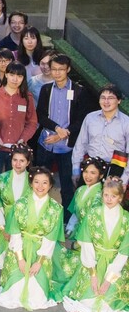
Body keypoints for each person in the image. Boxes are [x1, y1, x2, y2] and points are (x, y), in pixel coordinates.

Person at [0, 167, 64, 310]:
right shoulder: (20, 204)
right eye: (36, 182)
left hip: (40, 252)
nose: (40, 187)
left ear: (50, 185)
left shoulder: (56, 208)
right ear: (31, 183)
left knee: (38, 296)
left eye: (44, 183)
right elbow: (15, 232)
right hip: (19, 249)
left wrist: (39, 262)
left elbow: (51, 238)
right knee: (12, 293)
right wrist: (20, 259)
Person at [62, 177, 129, 312]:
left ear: (120, 197)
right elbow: (86, 243)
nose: (109, 199)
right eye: (106, 195)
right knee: (88, 298)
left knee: (109, 301)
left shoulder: (126, 219)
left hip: (116, 265)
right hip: (93, 260)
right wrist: (93, 274)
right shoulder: (93, 214)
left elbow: (124, 251)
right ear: (102, 195)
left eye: (113, 196)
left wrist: (108, 280)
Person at [36, 53, 95, 216]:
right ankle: (40, 214)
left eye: (61, 69)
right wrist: (57, 129)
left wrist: (63, 134)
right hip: (46, 143)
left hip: (68, 147)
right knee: (40, 181)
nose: (57, 73)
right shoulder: (46, 89)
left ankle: (67, 220)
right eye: (54, 69)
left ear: (68, 69)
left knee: (67, 186)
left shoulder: (79, 91)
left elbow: (81, 119)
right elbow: (40, 115)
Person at [0, 62, 38, 204]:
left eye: (19, 76)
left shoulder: (27, 97)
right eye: (12, 75)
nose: (15, 79)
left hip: (18, 151)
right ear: (6, 75)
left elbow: (32, 122)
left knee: (17, 187)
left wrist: (22, 140)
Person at [0, 144, 34, 270]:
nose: (18, 164)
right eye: (15, 160)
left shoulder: (32, 180)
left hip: (24, 222)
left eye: (22, 161)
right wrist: (3, 228)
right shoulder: (2, 178)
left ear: (28, 162)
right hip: (4, 219)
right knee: (2, 259)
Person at [72, 84, 129, 186]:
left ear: (119, 100)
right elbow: (80, 145)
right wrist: (76, 169)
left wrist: (124, 180)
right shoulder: (90, 118)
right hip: (90, 168)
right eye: (103, 98)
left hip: (114, 171)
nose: (106, 102)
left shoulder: (126, 123)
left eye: (110, 98)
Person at [65, 156, 106, 240]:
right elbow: (75, 213)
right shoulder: (80, 190)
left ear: (101, 175)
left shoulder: (101, 195)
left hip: (90, 235)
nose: (88, 176)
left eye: (93, 173)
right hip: (76, 230)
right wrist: (69, 229)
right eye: (85, 171)